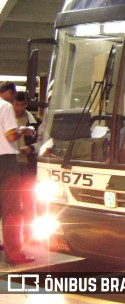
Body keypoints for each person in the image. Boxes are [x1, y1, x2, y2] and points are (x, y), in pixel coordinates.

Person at [0, 81, 35, 265]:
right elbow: (11, 135)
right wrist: (23, 129)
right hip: (5, 161)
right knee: (11, 209)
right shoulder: (5, 106)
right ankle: (13, 254)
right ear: (10, 94)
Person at [13, 91, 41, 242]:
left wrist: (32, 148)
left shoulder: (35, 121)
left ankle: (29, 234)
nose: (18, 107)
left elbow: (43, 140)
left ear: (26, 104)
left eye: (22, 104)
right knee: (11, 201)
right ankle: (14, 235)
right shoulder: (5, 119)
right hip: (9, 165)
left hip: (27, 164)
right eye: (16, 104)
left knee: (28, 200)